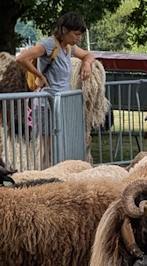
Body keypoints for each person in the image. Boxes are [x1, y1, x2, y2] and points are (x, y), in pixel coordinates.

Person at [15, 11, 96, 168]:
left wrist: (86, 63)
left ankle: (58, 175)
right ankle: (47, 178)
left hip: (61, 104)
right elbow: (21, 58)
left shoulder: (69, 47)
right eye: (76, 34)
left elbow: (88, 55)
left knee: (62, 145)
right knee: (48, 148)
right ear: (64, 30)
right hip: (47, 105)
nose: (78, 38)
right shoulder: (49, 44)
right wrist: (39, 74)